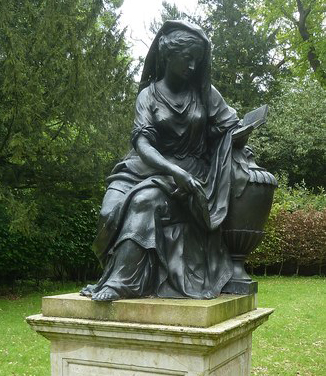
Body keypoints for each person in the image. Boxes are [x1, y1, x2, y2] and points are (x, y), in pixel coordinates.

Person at [81, 20, 252, 301]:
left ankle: (123, 283)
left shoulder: (206, 95)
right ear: (168, 55)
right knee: (107, 212)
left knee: (143, 202)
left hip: (189, 173)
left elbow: (230, 128)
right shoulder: (148, 96)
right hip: (146, 167)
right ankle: (114, 274)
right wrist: (171, 169)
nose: (193, 67)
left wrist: (241, 133)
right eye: (187, 59)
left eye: (197, 60)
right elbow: (142, 144)